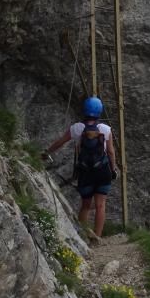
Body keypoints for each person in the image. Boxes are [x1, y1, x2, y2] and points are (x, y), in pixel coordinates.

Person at [43, 96, 117, 238]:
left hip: (85, 172)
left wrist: (46, 152)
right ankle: (97, 237)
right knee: (101, 205)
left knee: (86, 205)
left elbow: (60, 142)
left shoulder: (77, 128)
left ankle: (83, 237)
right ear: (100, 111)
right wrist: (113, 170)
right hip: (103, 171)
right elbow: (111, 152)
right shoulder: (106, 129)